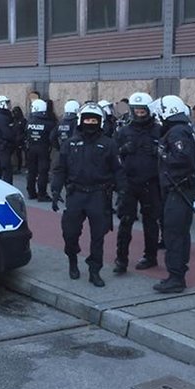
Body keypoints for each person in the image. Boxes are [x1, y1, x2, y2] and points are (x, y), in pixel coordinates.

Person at [51, 102, 126, 288]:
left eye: (94, 120)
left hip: (99, 195)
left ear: (99, 122)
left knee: (98, 236)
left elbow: (118, 170)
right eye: (87, 119)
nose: (90, 123)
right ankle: (72, 260)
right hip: (76, 194)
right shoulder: (70, 143)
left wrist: (123, 192)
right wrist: (54, 190)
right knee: (69, 233)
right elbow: (60, 169)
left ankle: (95, 270)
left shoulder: (108, 144)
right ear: (81, 121)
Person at [114, 92, 162, 274]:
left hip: (151, 183)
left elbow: (169, 153)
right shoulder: (123, 131)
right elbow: (112, 155)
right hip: (129, 183)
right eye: (137, 111)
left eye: (143, 111)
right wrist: (123, 150)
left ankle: (150, 256)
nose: (140, 114)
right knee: (125, 222)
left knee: (151, 222)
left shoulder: (159, 130)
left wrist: (157, 151)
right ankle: (121, 259)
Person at [154, 96, 195, 293]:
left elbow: (182, 158)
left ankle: (176, 277)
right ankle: (176, 273)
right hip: (177, 188)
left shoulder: (177, 132)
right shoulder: (178, 130)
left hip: (178, 189)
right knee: (177, 233)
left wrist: (161, 153)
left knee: (174, 234)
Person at [26, 99, 57, 201]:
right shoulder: (49, 123)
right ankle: (42, 194)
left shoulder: (29, 122)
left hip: (31, 148)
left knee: (31, 171)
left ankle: (31, 192)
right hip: (43, 148)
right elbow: (52, 137)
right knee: (43, 172)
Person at [12, 105, 28, 173]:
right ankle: (18, 167)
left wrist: (22, 137)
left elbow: (25, 131)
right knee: (18, 155)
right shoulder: (13, 120)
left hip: (22, 140)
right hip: (15, 140)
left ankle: (27, 167)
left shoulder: (23, 120)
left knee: (26, 154)